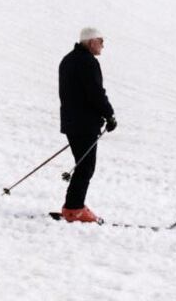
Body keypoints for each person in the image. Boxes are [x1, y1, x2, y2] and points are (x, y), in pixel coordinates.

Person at [58, 26, 117, 223]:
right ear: (91, 41)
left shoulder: (68, 60)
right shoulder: (88, 62)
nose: (103, 45)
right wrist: (109, 115)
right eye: (101, 41)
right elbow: (95, 93)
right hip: (84, 124)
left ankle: (73, 207)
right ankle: (74, 209)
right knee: (85, 168)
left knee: (82, 165)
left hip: (71, 122)